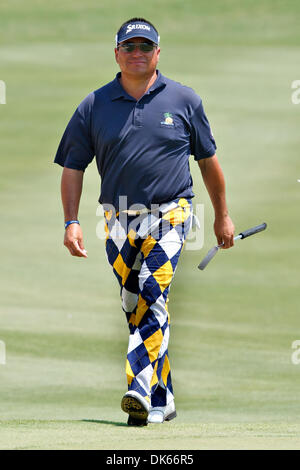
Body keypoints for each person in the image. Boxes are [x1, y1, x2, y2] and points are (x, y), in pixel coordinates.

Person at [54, 17, 235, 426]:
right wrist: (70, 221)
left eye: (145, 47)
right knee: (135, 306)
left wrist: (222, 217)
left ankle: (137, 385)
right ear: (117, 53)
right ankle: (162, 397)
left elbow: (209, 162)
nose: (138, 54)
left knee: (152, 294)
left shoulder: (184, 100)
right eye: (130, 48)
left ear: (158, 52)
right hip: (115, 217)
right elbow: (73, 166)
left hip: (172, 212)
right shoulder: (94, 104)